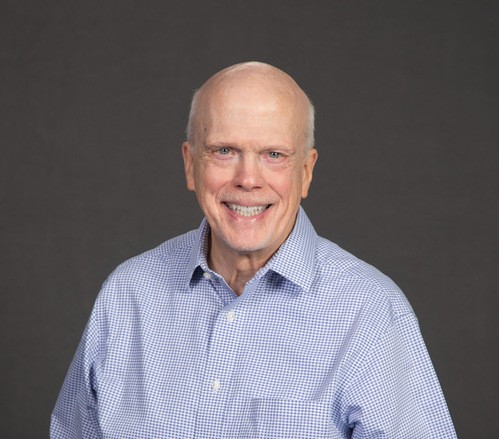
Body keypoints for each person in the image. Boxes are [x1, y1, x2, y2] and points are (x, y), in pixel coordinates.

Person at [51, 61, 457, 438]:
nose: (248, 179)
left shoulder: (370, 311)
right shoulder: (127, 295)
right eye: (224, 151)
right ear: (190, 164)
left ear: (306, 172)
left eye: (274, 155)